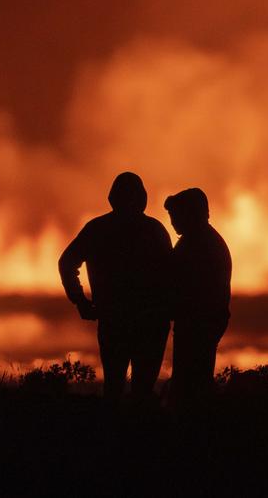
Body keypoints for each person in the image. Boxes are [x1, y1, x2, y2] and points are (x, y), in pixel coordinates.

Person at [59, 172, 173, 404]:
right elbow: (172, 276)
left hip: (118, 320)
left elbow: (67, 262)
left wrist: (80, 300)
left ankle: (114, 434)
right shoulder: (155, 230)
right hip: (148, 322)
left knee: (114, 387)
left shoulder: (97, 228)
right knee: (140, 390)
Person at [163, 187, 231, 412]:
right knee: (195, 384)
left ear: (190, 214)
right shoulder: (204, 241)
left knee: (188, 388)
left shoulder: (197, 245)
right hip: (203, 323)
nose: (172, 223)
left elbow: (179, 283)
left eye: (175, 216)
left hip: (197, 325)